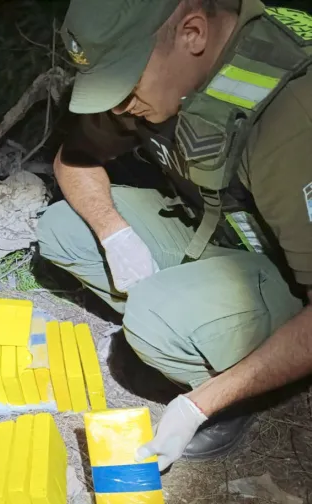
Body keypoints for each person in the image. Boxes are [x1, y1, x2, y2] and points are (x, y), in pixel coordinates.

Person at [41, 0, 312, 470]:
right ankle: (192, 321)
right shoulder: (160, 68)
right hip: (220, 232)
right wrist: (114, 234)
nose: (119, 107)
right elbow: (73, 160)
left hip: (292, 275)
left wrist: (200, 405)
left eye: (126, 86)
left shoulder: (292, 118)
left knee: (152, 320)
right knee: (63, 230)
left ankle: (226, 378)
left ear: (193, 34)